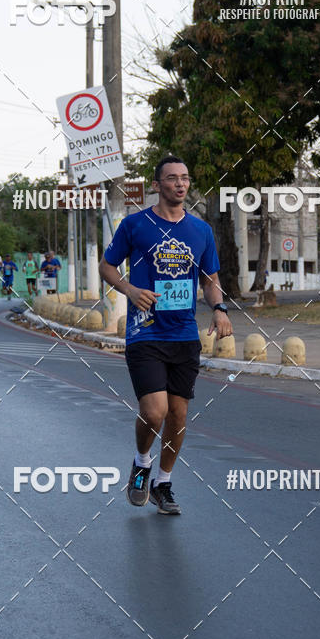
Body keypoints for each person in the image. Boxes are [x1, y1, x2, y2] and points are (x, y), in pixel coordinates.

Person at [99, 155, 232, 515]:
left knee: (178, 416)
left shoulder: (201, 231)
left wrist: (219, 309)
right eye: (172, 178)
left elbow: (210, 281)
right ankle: (142, 462)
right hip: (145, 332)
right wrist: (128, 290)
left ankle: (163, 482)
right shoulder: (135, 225)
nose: (180, 184)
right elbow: (107, 266)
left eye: (185, 178)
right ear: (157, 185)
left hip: (184, 335)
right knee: (154, 411)